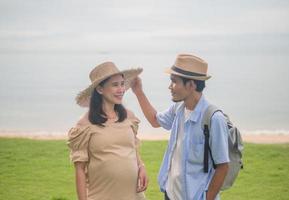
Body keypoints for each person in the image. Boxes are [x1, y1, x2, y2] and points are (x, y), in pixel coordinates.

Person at [131, 54, 229, 200]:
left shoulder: (214, 119)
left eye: (174, 82)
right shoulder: (178, 108)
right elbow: (155, 121)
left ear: (191, 85)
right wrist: (138, 91)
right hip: (170, 194)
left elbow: (223, 166)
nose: (170, 87)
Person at [67, 61, 148, 200]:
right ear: (100, 89)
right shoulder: (84, 125)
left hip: (134, 195)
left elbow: (132, 147)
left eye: (122, 84)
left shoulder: (129, 117)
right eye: (115, 85)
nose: (121, 89)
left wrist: (141, 165)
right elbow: (79, 169)